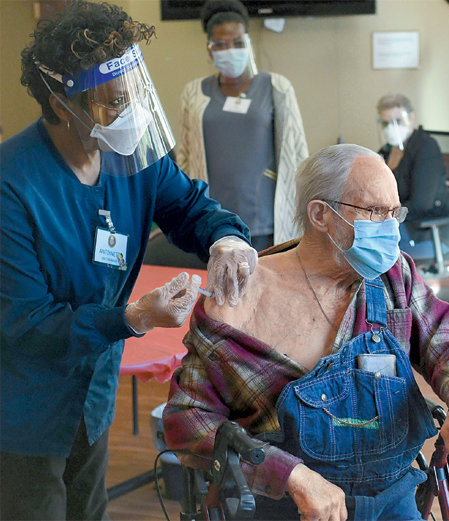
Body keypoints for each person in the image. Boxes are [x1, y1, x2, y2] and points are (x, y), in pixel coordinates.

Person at [0, 2, 259, 519]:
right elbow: (26, 323)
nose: (132, 114)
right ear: (61, 101)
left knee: (87, 508)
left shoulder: (131, 155)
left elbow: (190, 208)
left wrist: (226, 238)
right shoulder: (13, 183)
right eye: (115, 102)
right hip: (22, 402)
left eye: (135, 95)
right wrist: (132, 317)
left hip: (92, 390)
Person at [163, 144, 449, 521]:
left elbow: (445, 337)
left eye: (395, 213)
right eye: (375, 212)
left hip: (393, 498)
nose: (391, 228)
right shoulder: (239, 301)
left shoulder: (393, 277)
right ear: (321, 214)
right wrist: (289, 474)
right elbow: (185, 420)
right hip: (289, 506)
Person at [177, 0, 309, 251]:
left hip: (267, 224)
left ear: (248, 43)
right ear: (209, 48)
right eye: (221, 44)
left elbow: (297, 153)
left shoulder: (276, 88)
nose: (230, 50)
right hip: (212, 223)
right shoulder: (194, 93)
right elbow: (185, 159)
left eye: (237, 42)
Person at [377, 93, 449, 261]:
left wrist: (385, 217)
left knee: (368, 246)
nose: (391, 127)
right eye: (386, 123)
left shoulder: (426, 148)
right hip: (397, 224)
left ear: (411, 118)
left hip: (425, 231)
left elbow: (421, 204)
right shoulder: (387, 150)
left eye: (397, 121)